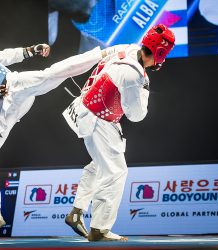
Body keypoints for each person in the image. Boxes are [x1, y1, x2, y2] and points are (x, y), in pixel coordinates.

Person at [0, 13, 109, 237]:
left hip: (15, 87)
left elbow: (2, 57)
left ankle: (102, 53)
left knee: (51, 74)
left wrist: (30, 50)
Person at [62, 24, 175, 241]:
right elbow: (136, 115)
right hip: (98, 121)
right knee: (115, 172)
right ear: (160, 53)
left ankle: (76, 212)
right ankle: (99, 229)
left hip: (89, 109)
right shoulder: (134, 76)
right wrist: (145, 88)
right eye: (164, 54)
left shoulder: (127, 49)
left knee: (98, 165)